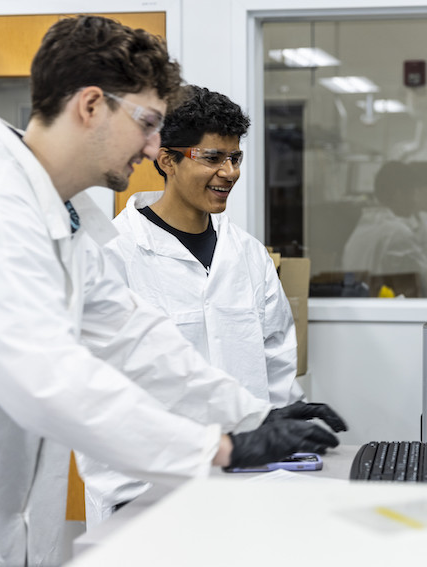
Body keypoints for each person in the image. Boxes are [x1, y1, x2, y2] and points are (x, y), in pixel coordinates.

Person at [0, 16, 344, 566]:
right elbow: (50, 379)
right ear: (91, 106)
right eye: (146, 122)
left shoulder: (67, 220)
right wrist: (221, 447)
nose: (155, 145)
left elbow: (136, 342)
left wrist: (254, 417)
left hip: (20, 521)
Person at [79, 85, 306, 526]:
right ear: (167, 160)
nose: (229, 172)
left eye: (235, 158)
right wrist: (127, 497)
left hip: (249, 482)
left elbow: (276, 361)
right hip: (149, 494)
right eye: (212, 157)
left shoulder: (247, 254)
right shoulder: (115, 254)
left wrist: (283, 433)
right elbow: (99, 390)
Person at [342, 160, 427, 297]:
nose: (414, 200)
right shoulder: (395, 232)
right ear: (399, 194)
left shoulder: (365, 225)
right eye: (412, 194)